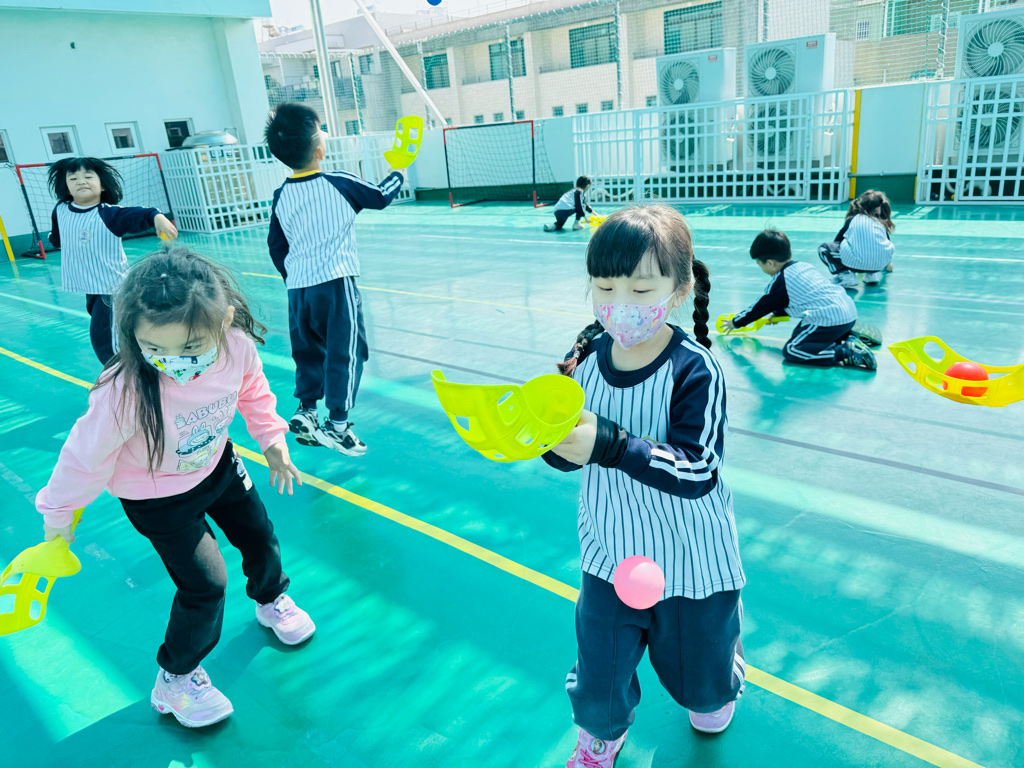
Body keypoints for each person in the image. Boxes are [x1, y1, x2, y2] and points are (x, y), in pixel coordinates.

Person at [35, 247, 313, 729]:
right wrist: (58, 517)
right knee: (206, 585)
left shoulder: (236, 347)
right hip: (157, 498)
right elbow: (83, 457)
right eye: (155, 349)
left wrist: (272, 441)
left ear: (224, 318)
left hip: (217, 466)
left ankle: (271, 599)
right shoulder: (124, 389)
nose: (174, 363)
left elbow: (252, 390)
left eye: (191, 347)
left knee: (259, 535)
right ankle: (176, 679)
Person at [545, 205, 745, 768]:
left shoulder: (694, 370)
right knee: (600, 668)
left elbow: (699, 469)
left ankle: (720, 674)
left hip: (689, 556)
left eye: (639, 289)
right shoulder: (583, 361)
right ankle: (598, 736)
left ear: (679, 290)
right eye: (605, 287)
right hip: (611, 549)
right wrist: (549, 442)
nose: (620, 304)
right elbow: (569, 445)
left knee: (701, 685)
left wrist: (612, 444)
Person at [265, 103, 404, 455]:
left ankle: (307, 410)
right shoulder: (338, 182)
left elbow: (276, 246)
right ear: (318, 150)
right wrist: (399, 171)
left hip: (298, 289)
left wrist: (294, 277)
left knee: (308, 351)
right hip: (335, 284)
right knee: (347, 351)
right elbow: (380, 197)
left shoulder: (281, 196)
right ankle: (338, 426)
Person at [47, 157, 178, 363]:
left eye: (88, 176)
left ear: (102, 185)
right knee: (116, 331)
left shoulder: (109, 214)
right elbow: (58, 235)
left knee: (105, 339)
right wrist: (55, 239)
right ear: (66, 186)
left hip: (112, 289)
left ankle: (121, 371)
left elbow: (138, 214)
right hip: (91, 287)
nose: (81, 181)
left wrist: (157, 217)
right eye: (73, 178)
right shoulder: (61, 209)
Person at [724, 229, 879, 370]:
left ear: (770, 263)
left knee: (793, 350)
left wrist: (735, 322)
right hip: (848, 311)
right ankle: (847, 334)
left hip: (829, 318)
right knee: (804, 330)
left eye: (760, 264)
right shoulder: (804, 267)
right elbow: (803, 298)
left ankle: (845, 351)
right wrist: (778, 314)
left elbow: (760, 308)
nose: (761, 268)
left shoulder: (780, 281)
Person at [818, 189, 895, 288]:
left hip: (855, 265)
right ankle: (871, 275)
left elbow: (838, 241)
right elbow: (886, 243)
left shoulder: (853, 219)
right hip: (879, 265)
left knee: (824, 248)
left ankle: (846, 275)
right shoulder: (880, 223)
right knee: (873, 247)